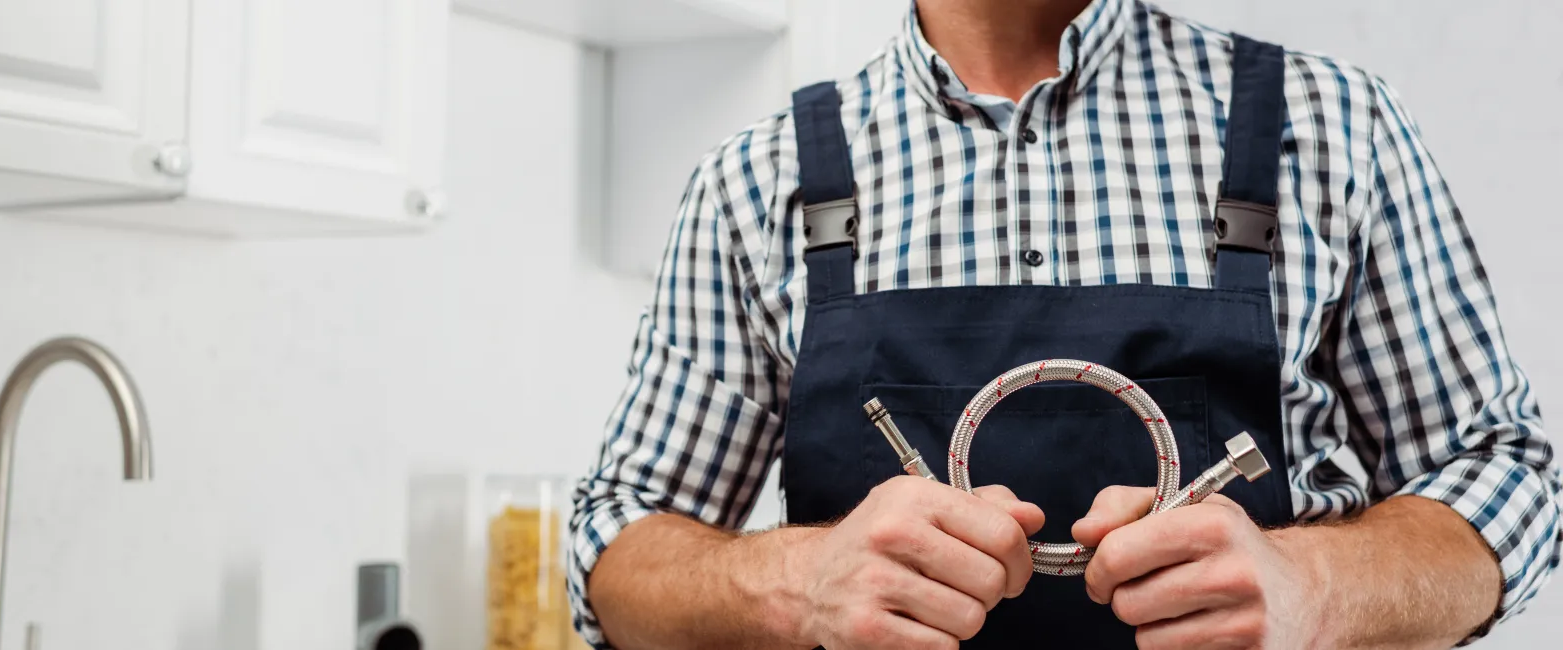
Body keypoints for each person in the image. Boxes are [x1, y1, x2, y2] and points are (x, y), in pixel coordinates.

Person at [567, 0, 1559, 647]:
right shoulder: (760, 180)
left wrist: (1317, 585)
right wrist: (794, 584)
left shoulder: (1332, 123)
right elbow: (614, 549)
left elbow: (1509, 475)